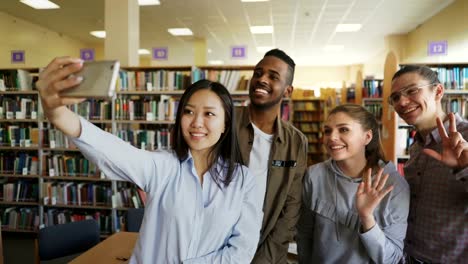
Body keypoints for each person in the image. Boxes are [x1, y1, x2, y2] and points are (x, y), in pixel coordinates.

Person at [36, 57, 263, 263]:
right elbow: (111, 150)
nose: (196, 123)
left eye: (209, 114)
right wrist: (57, 113)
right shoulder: (163, 165)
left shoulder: (243, 181)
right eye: (189, 112)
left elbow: (242, 250)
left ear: (225, 123)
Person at [297, 104, 410, 263]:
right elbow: (304, 235)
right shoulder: (314, 175)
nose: (332, 137)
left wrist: (366, 218)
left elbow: (391, 259)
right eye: (327, 131)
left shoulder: (393, 185)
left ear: (367, 137)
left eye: (343, 129)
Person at [235, 48, 308, 263]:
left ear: (288, 91)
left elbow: (291, 207)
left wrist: (264, 259)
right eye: (258, 73)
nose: (262, 79)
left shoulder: (296, 142)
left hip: (265, 250)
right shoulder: (225, 122)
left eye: (273, 77)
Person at [390, 65, 468, 263]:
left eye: (412, 90)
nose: (403, 102)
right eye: (396, 97)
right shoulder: (417, 146)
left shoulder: (465, 138)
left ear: (438, 91)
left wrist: (464, 168)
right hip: (410, 256)